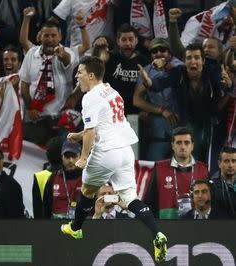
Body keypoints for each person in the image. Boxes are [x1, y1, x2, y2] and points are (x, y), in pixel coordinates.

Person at [60, 56, 167, 263]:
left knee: (87, 191)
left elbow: (93, 131)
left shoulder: (90, 97)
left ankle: (75, 228)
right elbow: (104, 124)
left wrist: (83, 157)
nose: (77, 76)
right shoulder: (112, 91)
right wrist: (79, 134)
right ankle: (157, 233)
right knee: (129, 198)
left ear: (91, 75)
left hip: (105, 152)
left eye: (80, 72)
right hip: (126, 151)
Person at [19, 21, 76, 145]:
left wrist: (62, 56)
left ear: (60, 36)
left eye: (53, 35)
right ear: (40, 37)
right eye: (46, 36)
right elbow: (24, 85)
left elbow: (68, 60)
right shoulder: (31, 54)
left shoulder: (69, 52)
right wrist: (30, 108)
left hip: (59, 119)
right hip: (35, 119)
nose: (50, 39)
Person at [133, 38, 184, 160]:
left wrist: (166, 66)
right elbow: (137, 100)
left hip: (181, 120)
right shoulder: (146, 71)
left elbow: (180, 76)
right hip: (159, 122)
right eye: (154, 51)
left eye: (163, 50)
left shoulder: (180, 66)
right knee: (155, 164)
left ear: (170, 53)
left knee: (180, 163)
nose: (158, 53)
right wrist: (160, 110)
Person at [144, 127, 209, 219]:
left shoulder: (204, 169)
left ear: (192, 145)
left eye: (186, 143)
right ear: (172, 145)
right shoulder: (159, 167)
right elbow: (150, 202)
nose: (183, 147)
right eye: (179, 143)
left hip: (197, 226)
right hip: (166, 226)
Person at [33, 141, 83, 219]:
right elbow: (46, 208)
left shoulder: (88, 179)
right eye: (67, 156)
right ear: (62, 157)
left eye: (74, 156)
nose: (70, 160)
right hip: (56, 226)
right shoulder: (53, 178)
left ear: (80, 156)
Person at [211, 146, 236, 218]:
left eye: (234, 161)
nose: (230, 165)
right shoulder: (211, 187)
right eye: (226, 161)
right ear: (219, 163)